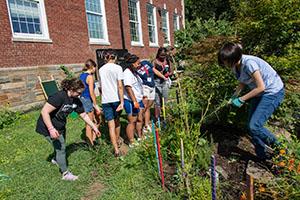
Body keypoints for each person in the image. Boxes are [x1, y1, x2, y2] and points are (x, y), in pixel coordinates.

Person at [218, 42, 285, 161]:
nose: (224, 63)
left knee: (254, 126)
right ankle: (262, 156)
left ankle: (282, 151)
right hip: (259, 93)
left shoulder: (249, 64)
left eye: (225, 60)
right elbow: (243, 80)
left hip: (272, 92)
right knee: (251, 126)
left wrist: (241, 99)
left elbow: (261, 87)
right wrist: (235, 96)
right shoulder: (235, 66)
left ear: (233, 58)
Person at [36, 78, 101, 181]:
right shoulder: (59, 96)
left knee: (60, 145)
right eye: (78, 92)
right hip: (47, 126)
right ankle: (65, 174)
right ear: (71, 89)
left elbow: (84, 115)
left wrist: (94, 127)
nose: (79, 95)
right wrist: (51, 129)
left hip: (60, 126)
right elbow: (44, 112)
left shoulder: (76, 100)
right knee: (61, 148)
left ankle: (56, 159)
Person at [99, 51, 124, 157]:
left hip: (106, 100)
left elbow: (100, 86)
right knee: (117, 121)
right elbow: (120, 86)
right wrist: (122, 101)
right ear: (115, 57)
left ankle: (115, 149)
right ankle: (117, 141)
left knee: (111, 126)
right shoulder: (118, 68)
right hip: (116, 98)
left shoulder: (101, 69)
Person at [123, 54, 145, 146]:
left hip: (138, 99)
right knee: (132, 121)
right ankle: (131, 141)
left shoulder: (134, 72)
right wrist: (134, 101)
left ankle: (139, 136)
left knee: (140, 118)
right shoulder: (127, 73)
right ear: (132, 64)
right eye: (137, 63)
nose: (139, 65)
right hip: (131, 101)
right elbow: (128, 88)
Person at [79, 59, 101, 146]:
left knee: (97, 119)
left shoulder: (81, 75)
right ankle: (90, 144)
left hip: (83, 99)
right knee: (89, 123)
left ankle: (93, 138)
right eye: (95, 67)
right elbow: (92, 93)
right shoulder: (90, 77)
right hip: (87, 100)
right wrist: (96, 105)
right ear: (92, 67)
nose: (95, 69)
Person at [136, 58, 157, 133]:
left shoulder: (145, 63)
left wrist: (164, 78)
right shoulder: (135, 70)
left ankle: (146, 125)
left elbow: (154, 70)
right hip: (145, 87)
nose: (138, 64)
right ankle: (139, 124)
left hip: (152, 85)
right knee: (144, 107)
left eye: (139, 62)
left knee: (148, 106)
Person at [153, 47, 173, 121]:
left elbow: (171, 71)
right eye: (161, 55)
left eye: (164, 55)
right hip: (156, 82)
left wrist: (169, 74)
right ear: (158, 54)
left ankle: (166, 117)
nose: (162, 57)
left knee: (165, 100)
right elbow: (152, 71)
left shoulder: (167, 60)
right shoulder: (154, 61)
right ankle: (157, 118)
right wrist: (160, 74)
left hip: (165, 82)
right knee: (157, 101)